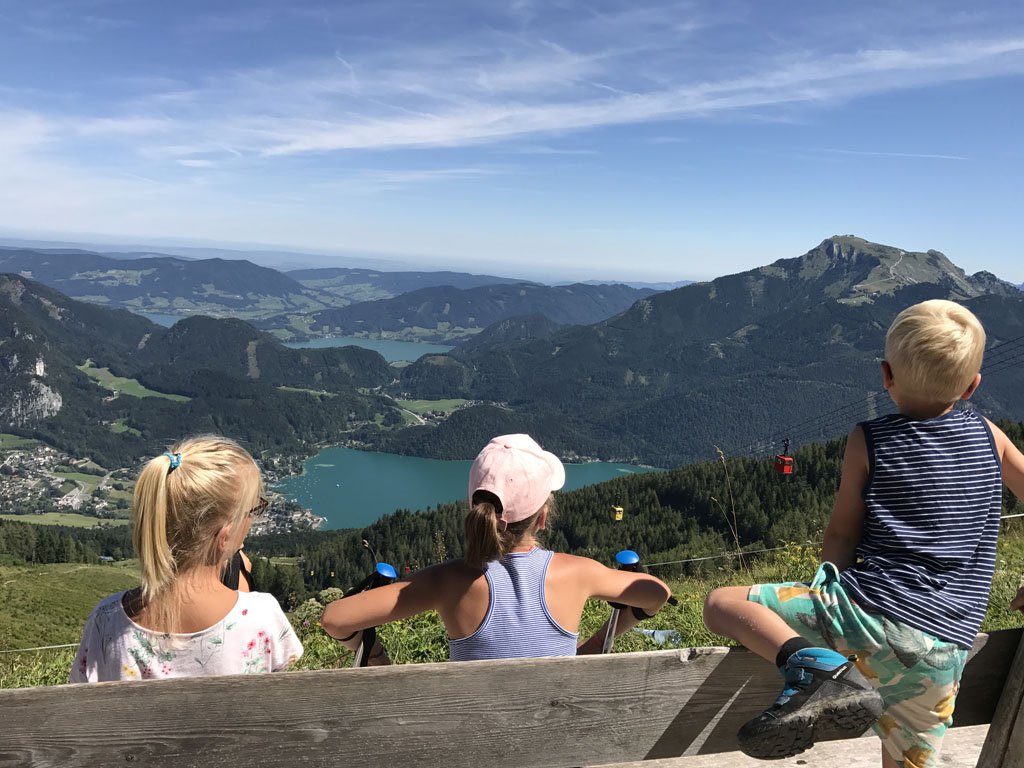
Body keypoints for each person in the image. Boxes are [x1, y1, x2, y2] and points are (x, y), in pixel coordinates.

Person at [703, 299, 1024, 768]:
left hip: (863, 615)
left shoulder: (868, 439)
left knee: (722, 603)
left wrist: (823, 594)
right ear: (973, 386)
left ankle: (815, 667)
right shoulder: (991, 436)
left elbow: (841, 537)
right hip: (944, 652)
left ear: (885, 375)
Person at [321, 434, 671, 662]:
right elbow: (657, 594)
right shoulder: (579, 572)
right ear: (543, 517)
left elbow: (335, 619)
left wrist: (377, 656)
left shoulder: (449, 581)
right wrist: (593, 647)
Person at [71, 436, 303, 682]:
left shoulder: (107, 621)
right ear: (224, 537)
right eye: (253, 509)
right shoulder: (261, 615)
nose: (254, 519)